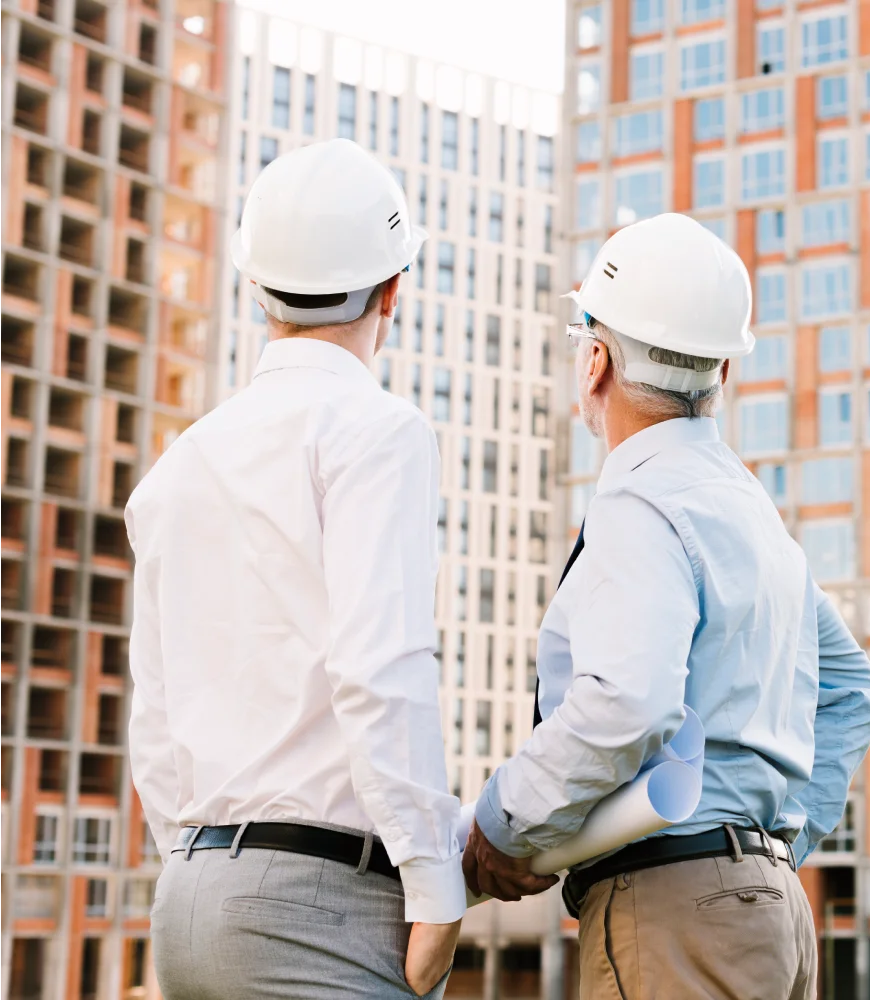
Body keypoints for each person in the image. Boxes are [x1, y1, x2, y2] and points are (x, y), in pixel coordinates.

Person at [462, 212, 870, 999]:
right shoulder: (751, 512)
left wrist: (503, 822)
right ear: (722, 372)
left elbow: (628, 700)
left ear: (595, 361)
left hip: (672, 908)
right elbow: (851, 691)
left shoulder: (641, 500)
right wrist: (767, 850)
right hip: (772, 912)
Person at [126, 138, 465, 998]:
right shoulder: (378, 433)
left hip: (191, 897)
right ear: (393, 290)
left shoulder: (180, 465)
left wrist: (200, 868)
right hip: (320, 906)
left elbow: (154, 718)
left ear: (256, 289)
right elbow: (380, 667)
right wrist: (436, 888)